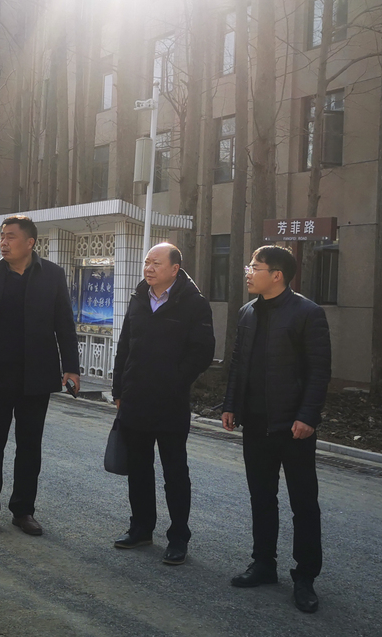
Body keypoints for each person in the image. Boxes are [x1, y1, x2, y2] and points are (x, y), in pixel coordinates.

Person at [221, 245, 331, 613]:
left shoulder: (307, 313)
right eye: (249, 266)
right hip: (255, 424)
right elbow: (238, 364)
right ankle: (263, 564)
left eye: (255, 267)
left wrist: (308, 416)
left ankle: (305, 577)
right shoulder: (248, 312)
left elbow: (319, 371)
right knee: (261, 497)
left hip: (293, 426)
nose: (248, 272)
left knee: (304, 503)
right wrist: (231, 405)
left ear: (277, 275)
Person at [0, 215, 79, 537]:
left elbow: (64, 324)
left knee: (30, 445)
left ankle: (23, 510)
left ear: (30, 242)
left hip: (36, 375)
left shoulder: (52, 275)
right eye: (2, 236)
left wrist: (71, 366)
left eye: (11, 237)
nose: (3, 242)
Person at [111, 243, 215, 565]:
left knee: (175, 472)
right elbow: (125, 345)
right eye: (147, 262)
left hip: (171, 401)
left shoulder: (194, 303)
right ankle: (141, 528)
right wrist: (119, 388)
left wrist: (175, 380)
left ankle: (178, 537)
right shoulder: (139, 298)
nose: (149, 268)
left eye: (156, 263)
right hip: (136, 399)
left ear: (175, 269)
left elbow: (202, 352)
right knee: (139, 468)